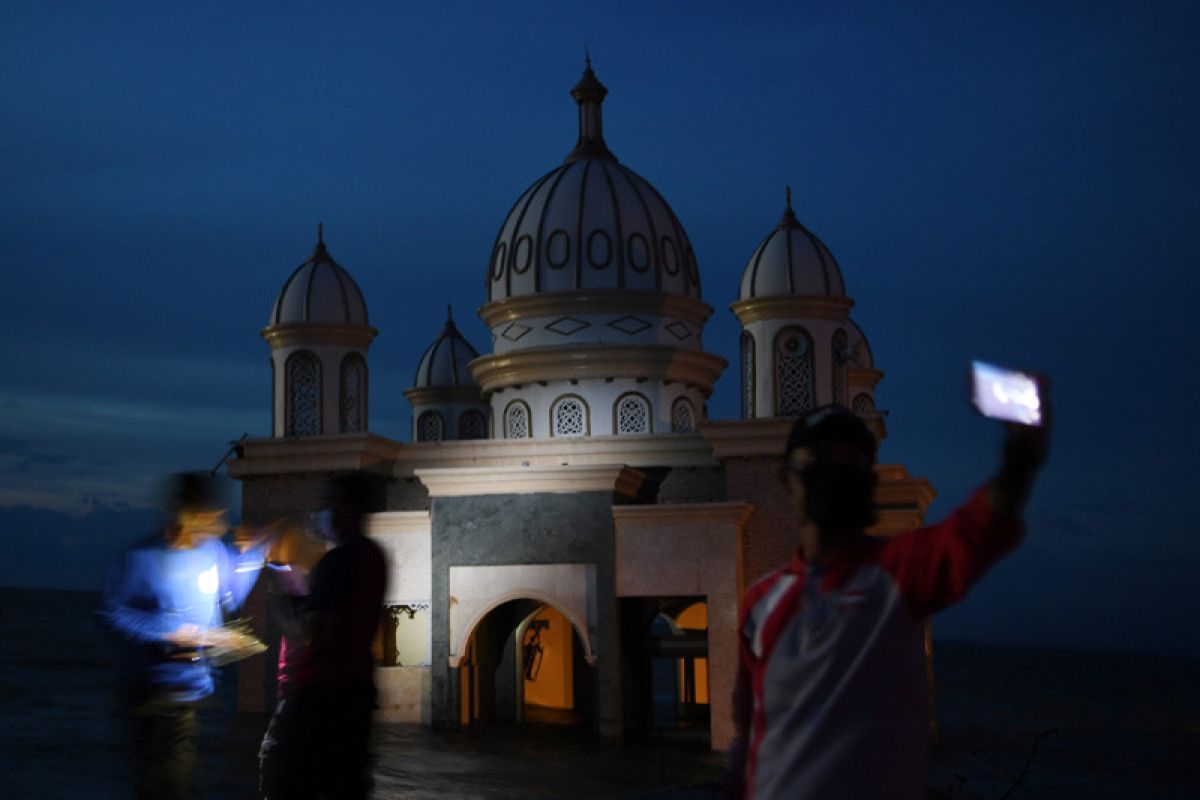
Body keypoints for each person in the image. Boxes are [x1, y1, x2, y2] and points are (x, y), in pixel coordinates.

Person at [727, 401, 1050, 800]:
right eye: (817, 459)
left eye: (853, 461)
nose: (835, 474)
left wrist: (1018, 465)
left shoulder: (899, 572)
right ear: (785, 477)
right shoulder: (761, 601)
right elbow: (750, 724)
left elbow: (978, 529)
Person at [99, 472, 271, 799]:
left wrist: (254, 554)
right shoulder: (140, 559)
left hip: (189, 697)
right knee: (157, 784)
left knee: (177, 783)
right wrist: (173, 634)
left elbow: (231, 593)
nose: (218, 523)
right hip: (149, 696)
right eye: (209, 515)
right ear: (184, 512)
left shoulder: (213, 552)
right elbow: (114, 614)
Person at [258, 472, 388, 800]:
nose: (325, 511)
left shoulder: (337, 562)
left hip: (320, 700)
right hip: (357, 692)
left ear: (347, 507)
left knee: (289, 781)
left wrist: (279, 598)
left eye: (331, 503)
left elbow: (309, 637)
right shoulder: (375, 556)